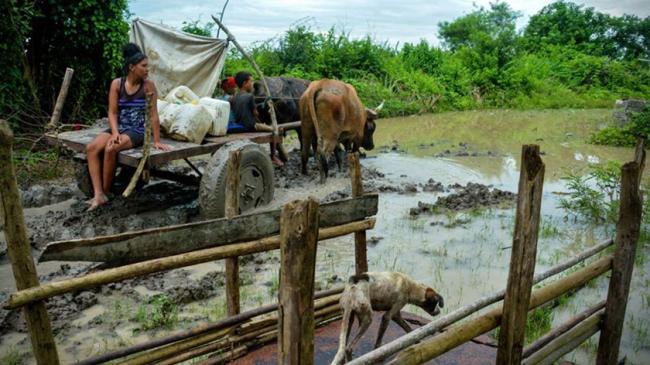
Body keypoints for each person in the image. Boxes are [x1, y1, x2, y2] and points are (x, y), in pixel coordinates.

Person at [85, 43, 171, 211]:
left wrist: (156, 140)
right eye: (144, 66)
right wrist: (115, 132)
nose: (147, 69)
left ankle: (106, 192)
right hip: (120, 127)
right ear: (132, 67)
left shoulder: (148, 86)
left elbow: (153, 115)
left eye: (148, 66)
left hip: (137, 130)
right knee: (91, 148)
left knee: (111, 148)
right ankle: (98, 193)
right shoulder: (117, 84)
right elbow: (112, 113)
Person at [230, 71, 284, 166]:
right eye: (251, 81)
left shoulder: (233, 98)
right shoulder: (250, 96)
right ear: (244, 83)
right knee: (276, 129)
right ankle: (273, 156)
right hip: (250, 126)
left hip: (239, 125)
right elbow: (255, 113)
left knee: (264, 126)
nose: (252, 84)